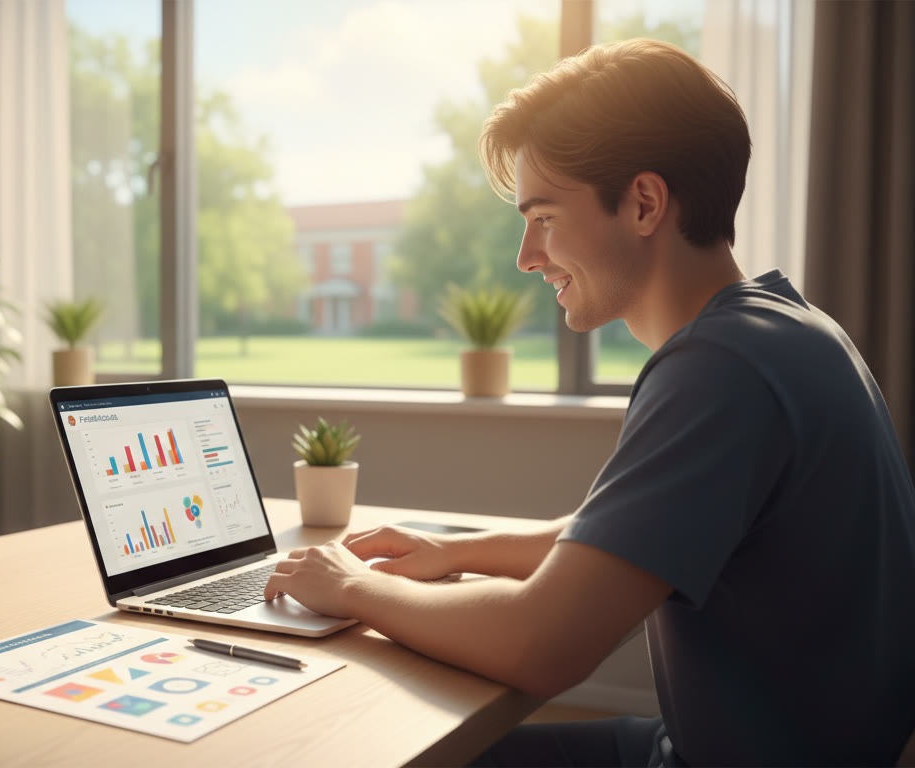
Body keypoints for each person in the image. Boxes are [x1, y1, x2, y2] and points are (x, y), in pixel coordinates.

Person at [262, 38, 915, 767]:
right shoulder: (782, 327)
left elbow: (542, 644)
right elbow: (621, 536)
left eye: (543, 217)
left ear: (643, 203)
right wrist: (454, 554)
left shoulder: (720, 369)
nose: (526, 257)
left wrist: (353, 591)